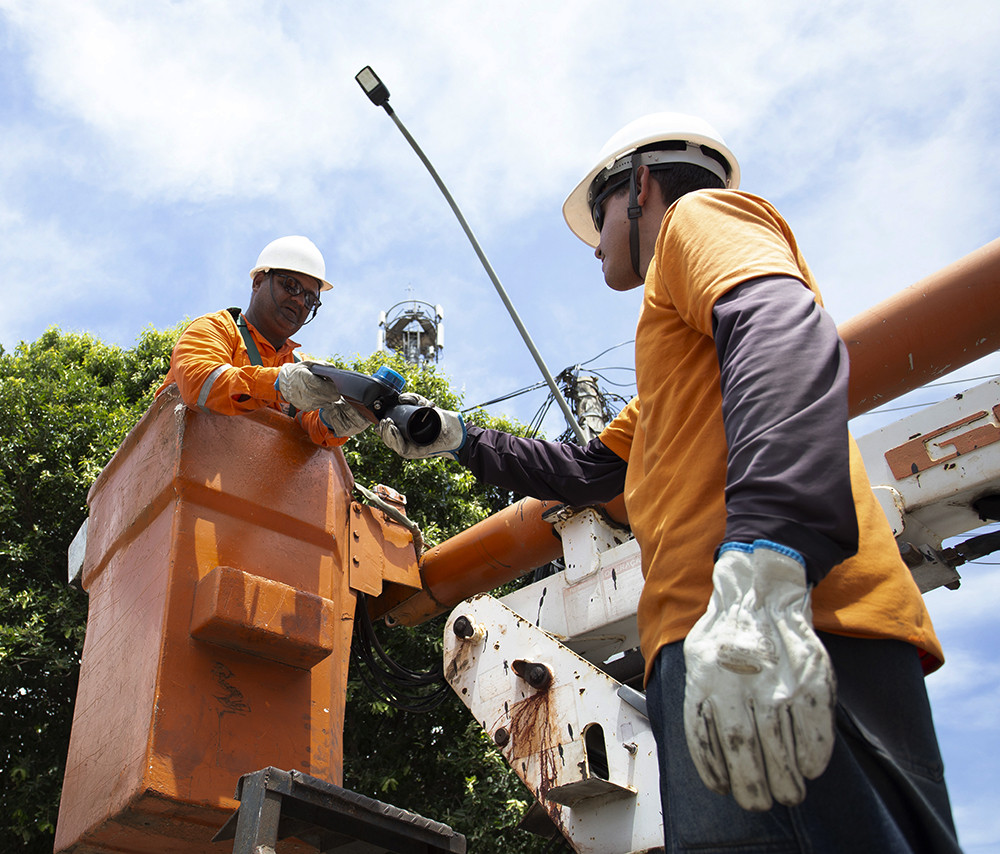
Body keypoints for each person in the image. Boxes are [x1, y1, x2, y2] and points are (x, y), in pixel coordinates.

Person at [379, 114, 961, 852]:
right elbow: (591, 471)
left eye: (598, 217)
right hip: (715, 637)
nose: (594, 245)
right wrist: (455, 437)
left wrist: (767, 559)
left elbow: (779, 326)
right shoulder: (673, 368)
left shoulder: (698, 217)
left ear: (641, 187)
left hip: (774, 619)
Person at [154, 235, 369, 446]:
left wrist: (342, 419)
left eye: (310, 299)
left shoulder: (298, 364)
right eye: (291, 285)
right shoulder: (216, 328)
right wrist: (277, 384)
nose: (299, 301)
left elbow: (313, 429)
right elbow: (200, 384)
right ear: (258, 282)